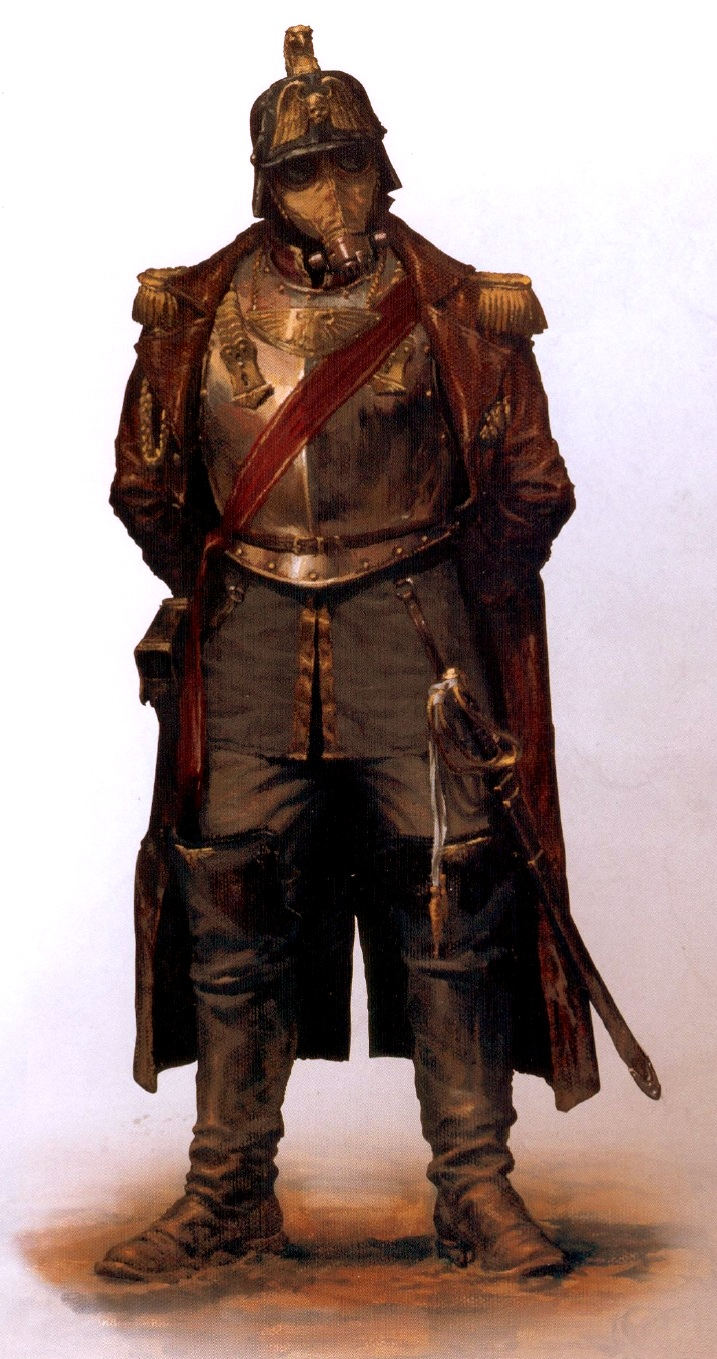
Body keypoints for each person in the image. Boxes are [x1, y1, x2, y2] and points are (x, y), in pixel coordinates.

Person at [97, 24, 602, 1284]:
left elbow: (531, 486)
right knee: (232, 913)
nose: (333, 191)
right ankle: (227, 1193)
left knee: (454, 905)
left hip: (418, 641)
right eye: (304, 170)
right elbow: (148, 489)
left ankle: (474, 1192)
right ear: (264, 185)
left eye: (350, 163)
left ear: (385, 167)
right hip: (249, 647)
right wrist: (223, 589)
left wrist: (456, 604)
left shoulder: (462, 312)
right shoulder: (192, 316)